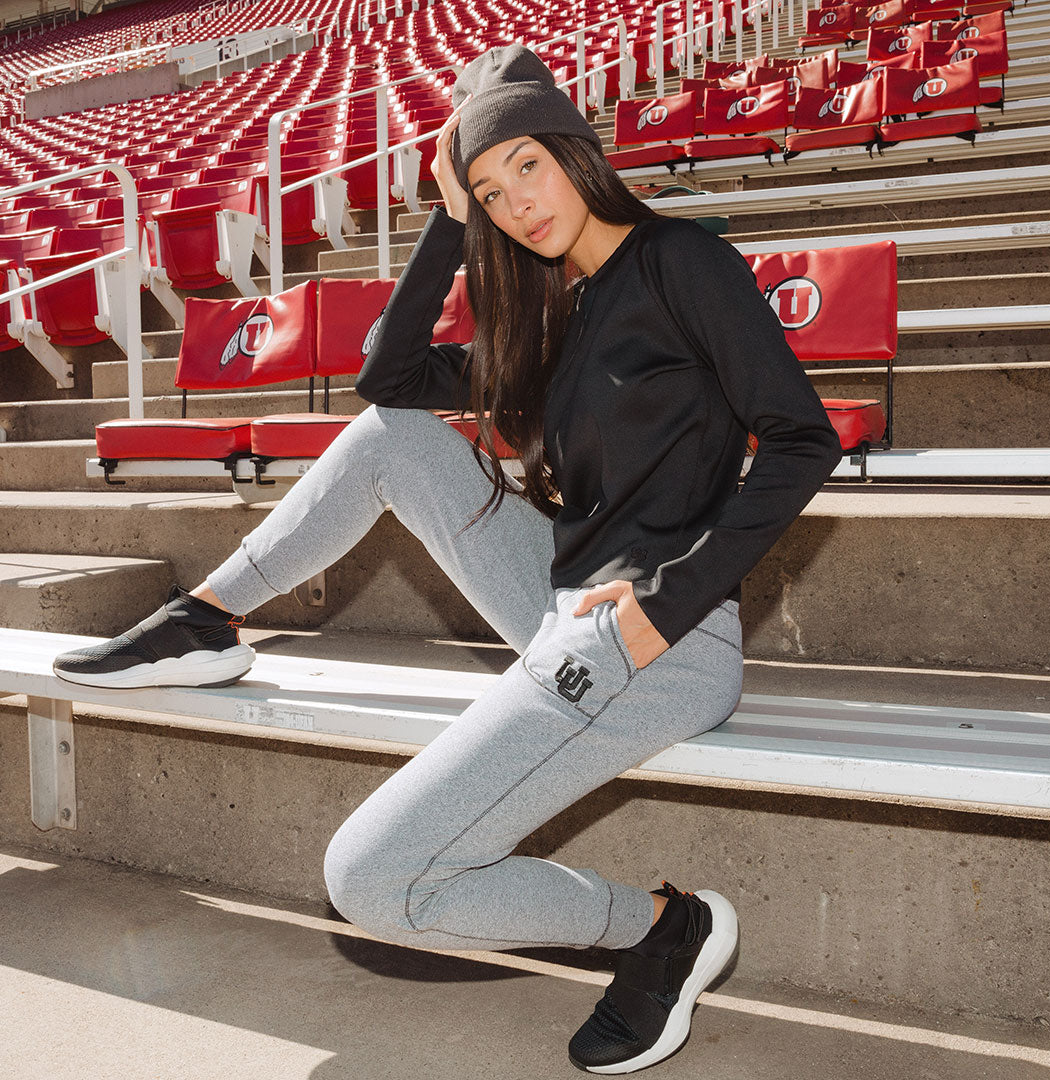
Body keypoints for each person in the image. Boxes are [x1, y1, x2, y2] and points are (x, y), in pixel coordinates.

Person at [52, 45, 843, 1074]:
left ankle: (659, 927)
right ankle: (209, 614)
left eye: (525, 165)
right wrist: (446, 219)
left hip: (661, 640)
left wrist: (668, 601)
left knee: (372, 878)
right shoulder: (559, 311)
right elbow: (388, 376)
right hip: (560, 605)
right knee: (394, 436)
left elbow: (801, 440)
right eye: (487, 189)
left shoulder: (679, 260)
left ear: (574, 150)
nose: (515, 201)